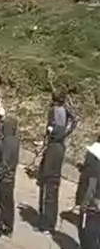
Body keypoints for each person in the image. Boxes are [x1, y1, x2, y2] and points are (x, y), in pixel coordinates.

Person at [37, 91, 77, 234]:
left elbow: (49, 129)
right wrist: (66, 132)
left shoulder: (54, 113)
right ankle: (48, 223)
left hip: (51, 163)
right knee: (52, 192)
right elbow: (74, 121)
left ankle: (46, 224)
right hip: (56, 154)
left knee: (48, 192)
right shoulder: (65, 113)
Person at [0, 116, 20, 239]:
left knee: (0, 204)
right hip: (10, 178)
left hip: (4, 179)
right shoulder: (15, 140)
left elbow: (4, 164)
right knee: (8, 204)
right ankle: (8, 226)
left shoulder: (7, 142)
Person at [76, 140, 100, 249]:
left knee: (91, 234)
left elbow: (91, 189)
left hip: (95, 209)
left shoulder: (95, 170)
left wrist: (83, 205)